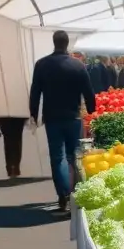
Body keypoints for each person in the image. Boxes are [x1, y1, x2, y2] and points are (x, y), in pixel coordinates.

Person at [29, 30, 95, 212]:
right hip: (73, 117)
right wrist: (91, 109)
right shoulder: (78, 66)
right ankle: (75, 192)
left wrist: (33, 114)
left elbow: (35, 92)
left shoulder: (42, 65)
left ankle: (63, 195)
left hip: (52, 117)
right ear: (67, 44)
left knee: (57, 158)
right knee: (74, 156)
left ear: (54, 42)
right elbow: (89, 92)